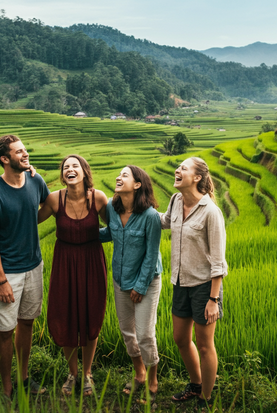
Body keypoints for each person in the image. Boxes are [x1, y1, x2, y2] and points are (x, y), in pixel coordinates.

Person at [0, 135, 50, 398]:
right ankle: (7, 385)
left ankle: (23, 378)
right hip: (7, 271)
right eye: (19, 152)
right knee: (6, 330)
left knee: (27, 323)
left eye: (25, 149)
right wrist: (1, 280)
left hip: (34, 266)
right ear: (4, 159)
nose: (26, 154)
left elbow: (47, 206)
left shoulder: (35, 180)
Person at [160, 156, 227, 410]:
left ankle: (205, 398)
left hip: (203, 287)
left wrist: (213, 299)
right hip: (179, 282)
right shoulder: (177, 201)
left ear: (197, 178)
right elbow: (165, 221)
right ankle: (196, 383)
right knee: (179, 338)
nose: (177, 170)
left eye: (183, 168)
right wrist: (136, 207)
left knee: (204, 344)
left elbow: (219, 262)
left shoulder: (211, 212)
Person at [38, 155, 107, 396]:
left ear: (84, 171)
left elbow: (117, 227)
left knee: (91, 315)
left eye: (75, 166)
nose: (70, 169)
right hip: (64, 261)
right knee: (64, 313)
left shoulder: (98, 198)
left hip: (92, 261)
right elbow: (31, 219)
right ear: (62, 175)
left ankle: (87, 373)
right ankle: (73, 373)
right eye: (66, 167)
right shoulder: (54, 199)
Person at [99, 165, 162, 403]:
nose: (118, 177)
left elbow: (151, 254)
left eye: (124, 175)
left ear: (137, 184)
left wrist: (140, 286)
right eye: (119, 174)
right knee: (127, 332)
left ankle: (153, 379)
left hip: (146, 280)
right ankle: (139, 373)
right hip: (120, 278)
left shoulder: (151, 217)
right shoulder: (112, 210)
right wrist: (79, 233)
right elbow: (110, 234)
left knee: (145, 333)